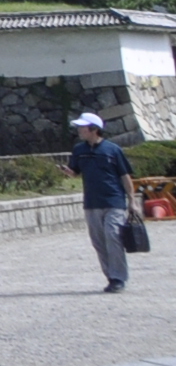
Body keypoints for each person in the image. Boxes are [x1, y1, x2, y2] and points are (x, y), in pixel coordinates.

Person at [69, 110, 137, 293]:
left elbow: (125, 176)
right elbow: (75, 172)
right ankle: (110, 276)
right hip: (92, 202)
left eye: (82, 127)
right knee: (99, 242)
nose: (79, 130)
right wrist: (68, 173)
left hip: (114, 201)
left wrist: (132, 200)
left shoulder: (113, 150)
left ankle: (118, 278)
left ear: (94, 129)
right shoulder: (79, 150)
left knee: (113, 236)